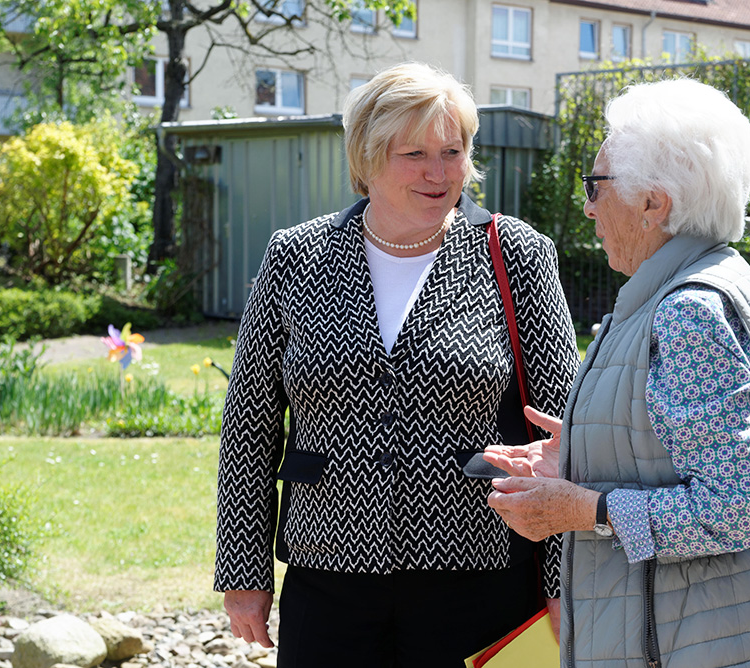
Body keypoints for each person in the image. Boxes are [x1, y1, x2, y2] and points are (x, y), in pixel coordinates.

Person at [213, 62, 580, 666]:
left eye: (452, 151)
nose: (438, 173)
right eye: (414, 153)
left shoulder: (517, 255)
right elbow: (249, 428)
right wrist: (243, 570)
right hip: (329, 572)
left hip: (481, 572)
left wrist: (562, 581)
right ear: (367, 155)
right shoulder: (295, 258)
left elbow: (565, 434)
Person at [485, 78, 750, 668]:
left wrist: (584, 508)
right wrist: (582, 457)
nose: (589, 206)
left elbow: (736, 509)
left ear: (654, 203)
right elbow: (686, 452)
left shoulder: (687, 311)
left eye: (596, 187)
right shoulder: (704, 283)